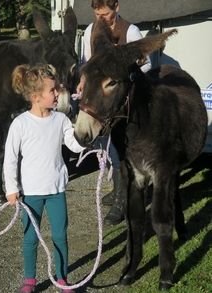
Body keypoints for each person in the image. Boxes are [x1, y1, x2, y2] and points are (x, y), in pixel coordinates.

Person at [3, 63, 84, 293]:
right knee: (30, 238)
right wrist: (11, 188)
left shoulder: (61, 120)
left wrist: (88, 136)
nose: (57, 93)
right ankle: (30, 279)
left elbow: (74, 144)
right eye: (53, 91)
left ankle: (62, 278)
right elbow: (10, 158)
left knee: (60, 235)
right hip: (30, 194)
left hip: (57, 189)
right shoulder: (21, 124)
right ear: (37, 97)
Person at [76, 0, 151, 225]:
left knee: (122, 148)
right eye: (98, 14)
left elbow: (146, 64)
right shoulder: (90, 31)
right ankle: (119, 188)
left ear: (116, 7)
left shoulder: (131, 31)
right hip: (100, 99)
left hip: (124, 100)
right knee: (107, 146)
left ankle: (121, 201)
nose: (102, 18)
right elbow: (86, 64)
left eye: (106, 14)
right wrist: (83, 80)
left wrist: (123, 69)